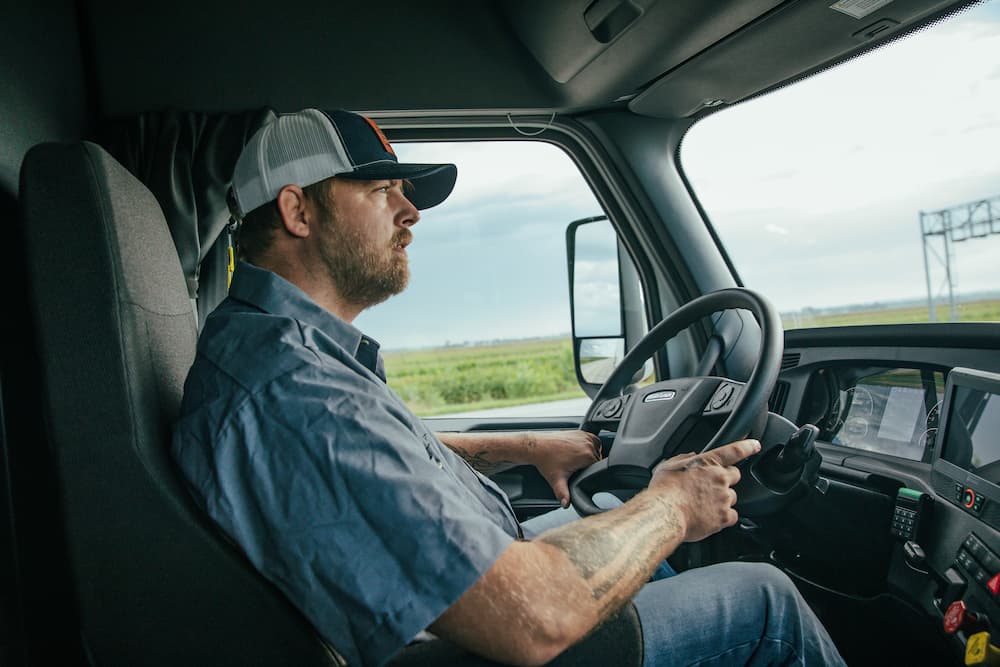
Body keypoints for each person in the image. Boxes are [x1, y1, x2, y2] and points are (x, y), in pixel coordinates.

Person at [171, 108, 846, 667]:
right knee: (764, 600)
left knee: (628, 537)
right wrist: (673, 503)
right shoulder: (297, 391)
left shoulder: (280, 349)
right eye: (381, 191)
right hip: (476, 637)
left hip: (452, 613)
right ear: (297, 211)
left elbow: (376, 459)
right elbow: (536, 618)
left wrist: (524, 445)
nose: (410, 211)